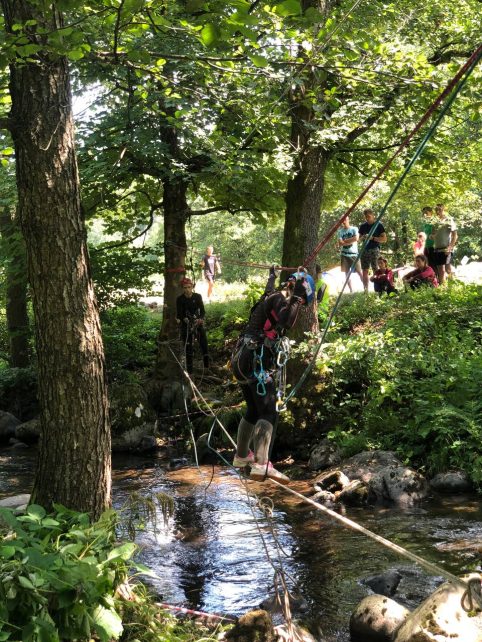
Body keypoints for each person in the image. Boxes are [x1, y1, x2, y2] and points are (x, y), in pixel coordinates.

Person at [230, 267, 313, 484]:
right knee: (269, 411)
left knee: (254, 409)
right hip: (255, 360)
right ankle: (260, 463)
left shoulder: (272, 295)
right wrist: (297, 297)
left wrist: (272, 276)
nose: (300, 306)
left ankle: (241, 455)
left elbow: (272, 295)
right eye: (303, 303)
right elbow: (286, 320)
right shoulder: (281, 299)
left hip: (241, 360)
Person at [176, 277, 210, 374]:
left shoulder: (197, 297)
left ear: (192, 287)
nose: (187, 289)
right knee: (188, 348)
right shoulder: (180, 299)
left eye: (189, 287)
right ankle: (190, 372)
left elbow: (202, 311)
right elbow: (179, 314)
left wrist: (200, 319)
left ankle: (207, 367)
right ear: (182, 288)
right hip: (186, 325)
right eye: (185, 287)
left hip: (197, 323)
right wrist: (184, 319)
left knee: (204, 344)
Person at [358, 208, 387, 292]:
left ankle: (378, 289)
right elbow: (358, 239)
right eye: (365, 217)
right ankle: (366, 290)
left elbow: (384, 239)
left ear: (373, 216)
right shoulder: (363, 226)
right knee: (364, 270)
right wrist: (362, 237)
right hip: (364, 249)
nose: (367, 218)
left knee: (376, 269)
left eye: (369, 216)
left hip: (374, 249)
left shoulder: (378, 225)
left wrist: (373, 238)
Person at [337, 217, 363, 293]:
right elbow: (340, 243)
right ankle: (351, 291)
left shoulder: (354, 229)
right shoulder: (340, 231)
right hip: (344, 254)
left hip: (354, 254)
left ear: (348, 220)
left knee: (359, 272)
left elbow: (356, 238)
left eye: (345, 220)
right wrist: (350, 241)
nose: (343, 222)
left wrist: (344, 241)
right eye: (342, 220)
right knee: (347, 274)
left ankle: (365, 288)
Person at [432, 204, 457, 285]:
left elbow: (455, 235)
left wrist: (450, 248)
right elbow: (433, 234)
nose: (438, 211)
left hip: (446, 248)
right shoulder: (434, 221)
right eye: (436, 210)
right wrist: (431, 236)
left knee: (448, 269)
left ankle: (452, 286)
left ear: (443, 209)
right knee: (440, 271)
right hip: (437, 249)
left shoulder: (449, 220)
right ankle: (443, 288)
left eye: (439, 209)